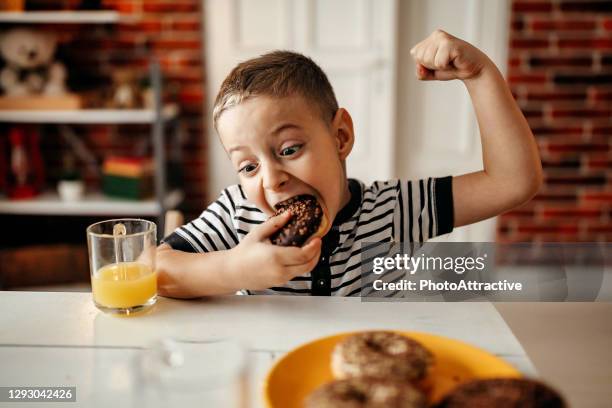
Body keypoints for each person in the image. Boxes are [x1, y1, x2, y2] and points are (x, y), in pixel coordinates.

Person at [157, 29, 542, 297]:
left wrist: (481, 75)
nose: (272, 180)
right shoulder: (238, 216)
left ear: (340, 137)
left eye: (289, 149)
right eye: (248, 167)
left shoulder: (395, 211)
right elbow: (150, 269)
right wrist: (235, 269)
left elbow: (513, 182)